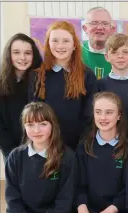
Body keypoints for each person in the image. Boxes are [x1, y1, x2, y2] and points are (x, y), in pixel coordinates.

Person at [6, 102, 77, 213]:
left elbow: (65, 200)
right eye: (30, 124)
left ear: (53, 125)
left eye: (43, 124)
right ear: (24, 127)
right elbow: (12, 197)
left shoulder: (67, 157)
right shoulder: (16, 157)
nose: (36, 130)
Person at [67, 92, 128, 213]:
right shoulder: (84, 147)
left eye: (109, 112)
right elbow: (78, 185)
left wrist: (108, 212)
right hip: (89, 211)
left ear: (119, 115)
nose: (103, 117)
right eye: (98, 112)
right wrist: (82, 211)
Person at [29, 21, 97, 150]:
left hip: (78, 147)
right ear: (48, 44)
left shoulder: (87, 75)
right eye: (55, 40)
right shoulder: (37, 76)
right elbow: (33, 115)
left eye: (66, 41)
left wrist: (82, 145)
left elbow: (90, 116)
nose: (60, 45)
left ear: (74, 45)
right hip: (46, 147)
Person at [0, 33, 42, 160]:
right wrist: (9, 150)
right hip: (11, 149)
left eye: (28, 53)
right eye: (16, 52)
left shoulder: (41, 81)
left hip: (39, 146)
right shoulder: (1, 83)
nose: (22, 57)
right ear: (9, 55)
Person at [81, 6, 128, 79]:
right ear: (85, 28)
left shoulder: (124, 57)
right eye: (94, 23)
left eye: (105, 23)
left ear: (112, 29)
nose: (100, 27)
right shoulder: (76, 53)